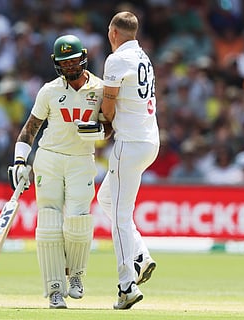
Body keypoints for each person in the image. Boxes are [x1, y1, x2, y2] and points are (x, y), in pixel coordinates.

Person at [7, 34, 106, 309]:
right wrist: (19, 161)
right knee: (49, 223)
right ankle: (53, 290)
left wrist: (99, 131)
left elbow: (111, 126)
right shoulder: (49, 90)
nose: (71, 66)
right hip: (49, 158)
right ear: (56, 64)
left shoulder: (100, 89)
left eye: (74, 60)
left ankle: (75, 275)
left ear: (83, 57)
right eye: (65, 62)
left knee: (77, 221)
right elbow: (30, 128)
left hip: (81, 160)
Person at [96, 11, 159, 310]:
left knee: (120, 215)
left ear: (113, 33)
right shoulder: (143, 57)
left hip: (130, 143)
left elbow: (109, 102)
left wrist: (103, 123)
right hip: (149, 141)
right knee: (106, 198)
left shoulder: (117, 58)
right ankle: (141, 256)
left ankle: (126, 286)